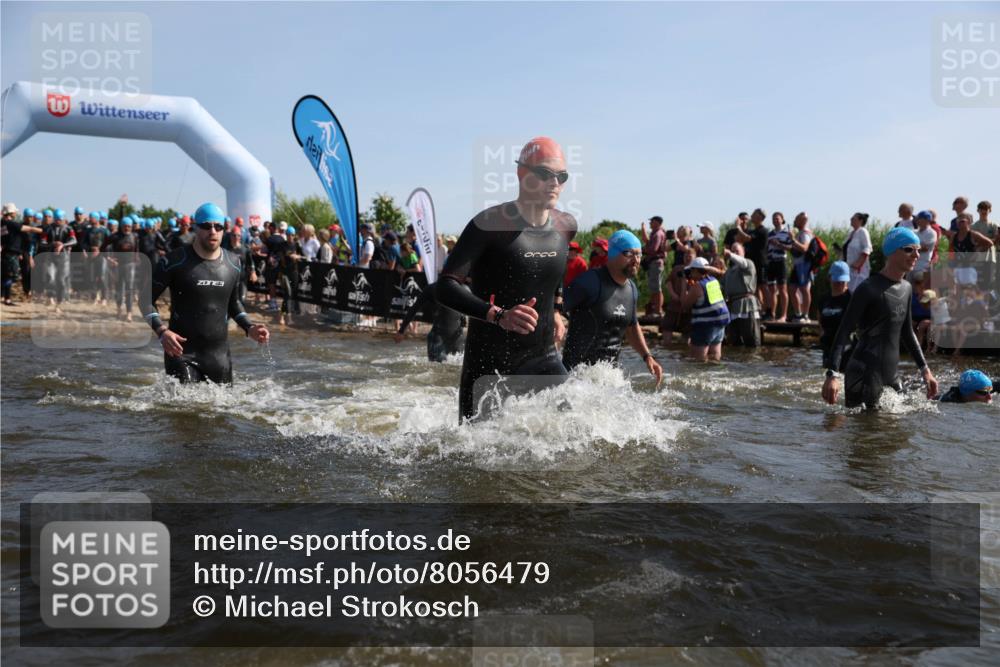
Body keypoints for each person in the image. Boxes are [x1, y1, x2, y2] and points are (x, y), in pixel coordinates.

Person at [436, 136, 576, 422]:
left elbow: (555, 271)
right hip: (489, 364)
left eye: (561, 176)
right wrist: (498, 315)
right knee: (473, 458)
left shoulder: (565, 226)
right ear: (522, 174)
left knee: (579, 434)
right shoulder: (489, 225)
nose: (555, 183)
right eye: (545, 174)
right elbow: (446, 286)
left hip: (544, 358)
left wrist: (558, 310)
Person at [141, 202, 269, 383]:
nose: (213, 231)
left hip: (218, 356)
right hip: (181, 353)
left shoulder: (233, 263)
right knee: (185, 410)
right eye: (207, 226)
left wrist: (249, 327)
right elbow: (145, 299)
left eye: (218, 227)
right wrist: (162, 331)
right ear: (196, 228)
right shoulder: (174, 261)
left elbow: (233, 304)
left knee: (223, 410)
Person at [822, 228, 938, 409]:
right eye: (909, 249)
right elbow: (844, 331)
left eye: (918, 250)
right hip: (863, 374)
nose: (916, 254)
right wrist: (832, 375)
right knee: (866, 432)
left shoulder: (907, 288)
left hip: (891, 375)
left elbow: (907, 332)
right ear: (892, 252)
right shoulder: (868, 288)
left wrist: (925, 370)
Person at [560, 230, 663, 384]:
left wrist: (647, 356)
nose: (636, 259)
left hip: (609, 377)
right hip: (576, 377)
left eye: (639, 254)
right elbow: (553, 309)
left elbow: (632, 326)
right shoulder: (590, 282)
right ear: (612, 253)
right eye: (629, 253)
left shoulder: (631, 289)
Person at [394, 279, 469, 362]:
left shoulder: (464, 289)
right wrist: (401, 330)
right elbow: (414, 309)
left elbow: (472, 312)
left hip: (456, 337)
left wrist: (401, 331)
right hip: (441, 337)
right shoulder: (433, 288)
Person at [680, 256, 729, 361]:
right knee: (714, 359)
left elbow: (684, 305)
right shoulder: (714, 281)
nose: (690, 273)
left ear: (696, 270)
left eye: (691, 270)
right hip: (719, 325)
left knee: (698, 362)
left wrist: (684, 285)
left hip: (705, 327)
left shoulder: (698, 286)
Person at [2, 203, 43, 305]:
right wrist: (42, 230)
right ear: (11, 213)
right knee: (13, 276)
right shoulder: (11, 223)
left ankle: (6, 298)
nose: (16, 213)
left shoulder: (2, 223)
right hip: (11, 253)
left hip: (7, 252)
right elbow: (29, 229)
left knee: (6, 276)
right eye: (15, 211)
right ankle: (5, 297)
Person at [722, 242, 760, 347]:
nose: (734, 253)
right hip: (733, 307)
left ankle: (751, 363)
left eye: (737, 251)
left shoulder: (748, 263)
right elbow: (721, 287)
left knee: (751, 341)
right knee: (734, 342)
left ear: (743, 252)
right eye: (733, 251)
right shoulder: (729, 271)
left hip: (747, 306)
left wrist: (730, 254)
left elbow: (742, 263)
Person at [104, 216, 141, 320]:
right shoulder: (115, 236)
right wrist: (110, 259)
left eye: (129, 226)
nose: (127, 228)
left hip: (130, 265)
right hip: (118, 265)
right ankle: (119, 309)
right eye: (125, 226)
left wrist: (137, 258)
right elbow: (104, 247)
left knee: (129, 289)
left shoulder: (135, 236)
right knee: (119, 288)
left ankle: (129, 312)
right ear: (121, 226)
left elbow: (137, 250)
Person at [942, 212, 993, 286]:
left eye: (962, 221)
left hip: (970, 267)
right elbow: (950, 250)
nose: (959, 222)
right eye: (958, 221)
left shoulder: (973, 234)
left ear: (969, 222)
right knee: (958, 288)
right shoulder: (954, 236)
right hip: (958, 267)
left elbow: (989, 243)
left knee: (969, 288)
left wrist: (978, 250)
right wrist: (950, 264)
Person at [40, 208, 77, 309]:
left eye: (60, 220)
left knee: (61, 280)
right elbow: (42, 242)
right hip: (50, 257)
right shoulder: (48, 229)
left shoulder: (68, 229)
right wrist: (53, 244)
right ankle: (50, 297)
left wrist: (63, 245)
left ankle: (59, 302)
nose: (58, 222)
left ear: (64, 219)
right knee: (50, 277)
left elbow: (74, 241)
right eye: (56, 220)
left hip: (63, 258)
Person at [660, 245, 696, 346]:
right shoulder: (677, 268)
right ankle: (668, 351)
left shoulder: (697, 271)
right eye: (685, 255)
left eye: (690, 255)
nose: (687, 257)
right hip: (674, 306)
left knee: (686, 336)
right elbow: (668, 281)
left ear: (695, 257)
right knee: (667, 328)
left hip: (689, 309)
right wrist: (673, 294)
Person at [818, 261, 852, 369]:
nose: (839, 284)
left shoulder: (851, 299)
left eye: (842, 281)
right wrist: (821, 333)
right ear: (830, 278)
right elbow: (819, 318)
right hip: (828, 347)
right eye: (836, 281)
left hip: (846, 349)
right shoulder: (824, 299)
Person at [735, 208, 769, 306]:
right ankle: (760, 308)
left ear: (759, 217)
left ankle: (770, 311)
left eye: (753, 215)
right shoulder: (753, 231)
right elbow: (739, 239)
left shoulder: (762, 230)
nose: (751, 216)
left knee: (763, 286)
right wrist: (741, 227)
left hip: (760, 262)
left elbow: (747, 238)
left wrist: (738, 227)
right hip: (752, 263)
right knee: (756, 287)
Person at [763, 212, 792, 322]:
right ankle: (772, 314)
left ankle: (784, 315)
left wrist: (779, 244)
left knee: (783, 289)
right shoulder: (770, 234)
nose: (775, 220)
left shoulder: (787, 232)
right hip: (771, 262)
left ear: (782, 219)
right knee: (771, 289)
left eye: (777, 218)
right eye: (773, 219)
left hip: (781, 262)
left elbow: (791, 247)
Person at [639, 216, 668, 317]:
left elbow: (653, 249)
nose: (650, 223)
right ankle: (655, 310)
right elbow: (648, 242)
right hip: (655, 262)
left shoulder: (658, 234)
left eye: (652, 221)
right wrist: (643, 230)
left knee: (656, 287)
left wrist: (642, 250)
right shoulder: (655, 233)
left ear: (657, 222)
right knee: (654, 287)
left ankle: (658, 311)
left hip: (656, 262)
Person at [788, 212, 814, 321]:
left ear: (802, 221)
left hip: (804, 265)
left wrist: (793, 239)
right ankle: (798, 313)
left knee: (804, 289)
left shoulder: (805, 233)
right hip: (797, 264)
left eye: (796, 219)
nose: (794, 221)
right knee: (792, 288)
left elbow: (804, 248)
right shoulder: (800, 233)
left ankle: (805, 314)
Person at [843, 212, 872, 292]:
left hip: (859, 271)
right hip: (849, 269)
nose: (850, 219)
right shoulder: (850, 234)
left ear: (860, 220)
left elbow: (867, 248)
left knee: (857, 292)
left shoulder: (863, 231)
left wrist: (858, 264)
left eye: (853, 218)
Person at [911, 210, 938, 286]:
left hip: (923, 267)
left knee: (920, 289)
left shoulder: (932, 233)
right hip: (911, 265)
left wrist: (912, 247)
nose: (917, 220)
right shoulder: (914, 232)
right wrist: (918, 246)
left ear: (926, 220)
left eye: (919, 218)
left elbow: (925, 248)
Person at [918, 289, 950, 354]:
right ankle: (921, 346)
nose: (927, 303)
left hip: (945, 323)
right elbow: (933, 318)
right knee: (923, 324)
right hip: (937, 322)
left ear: (934, 298)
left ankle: (935, 348)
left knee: (936, 328)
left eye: (929, 301)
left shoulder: (941, 301)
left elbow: (949, 298)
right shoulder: (930, 305)